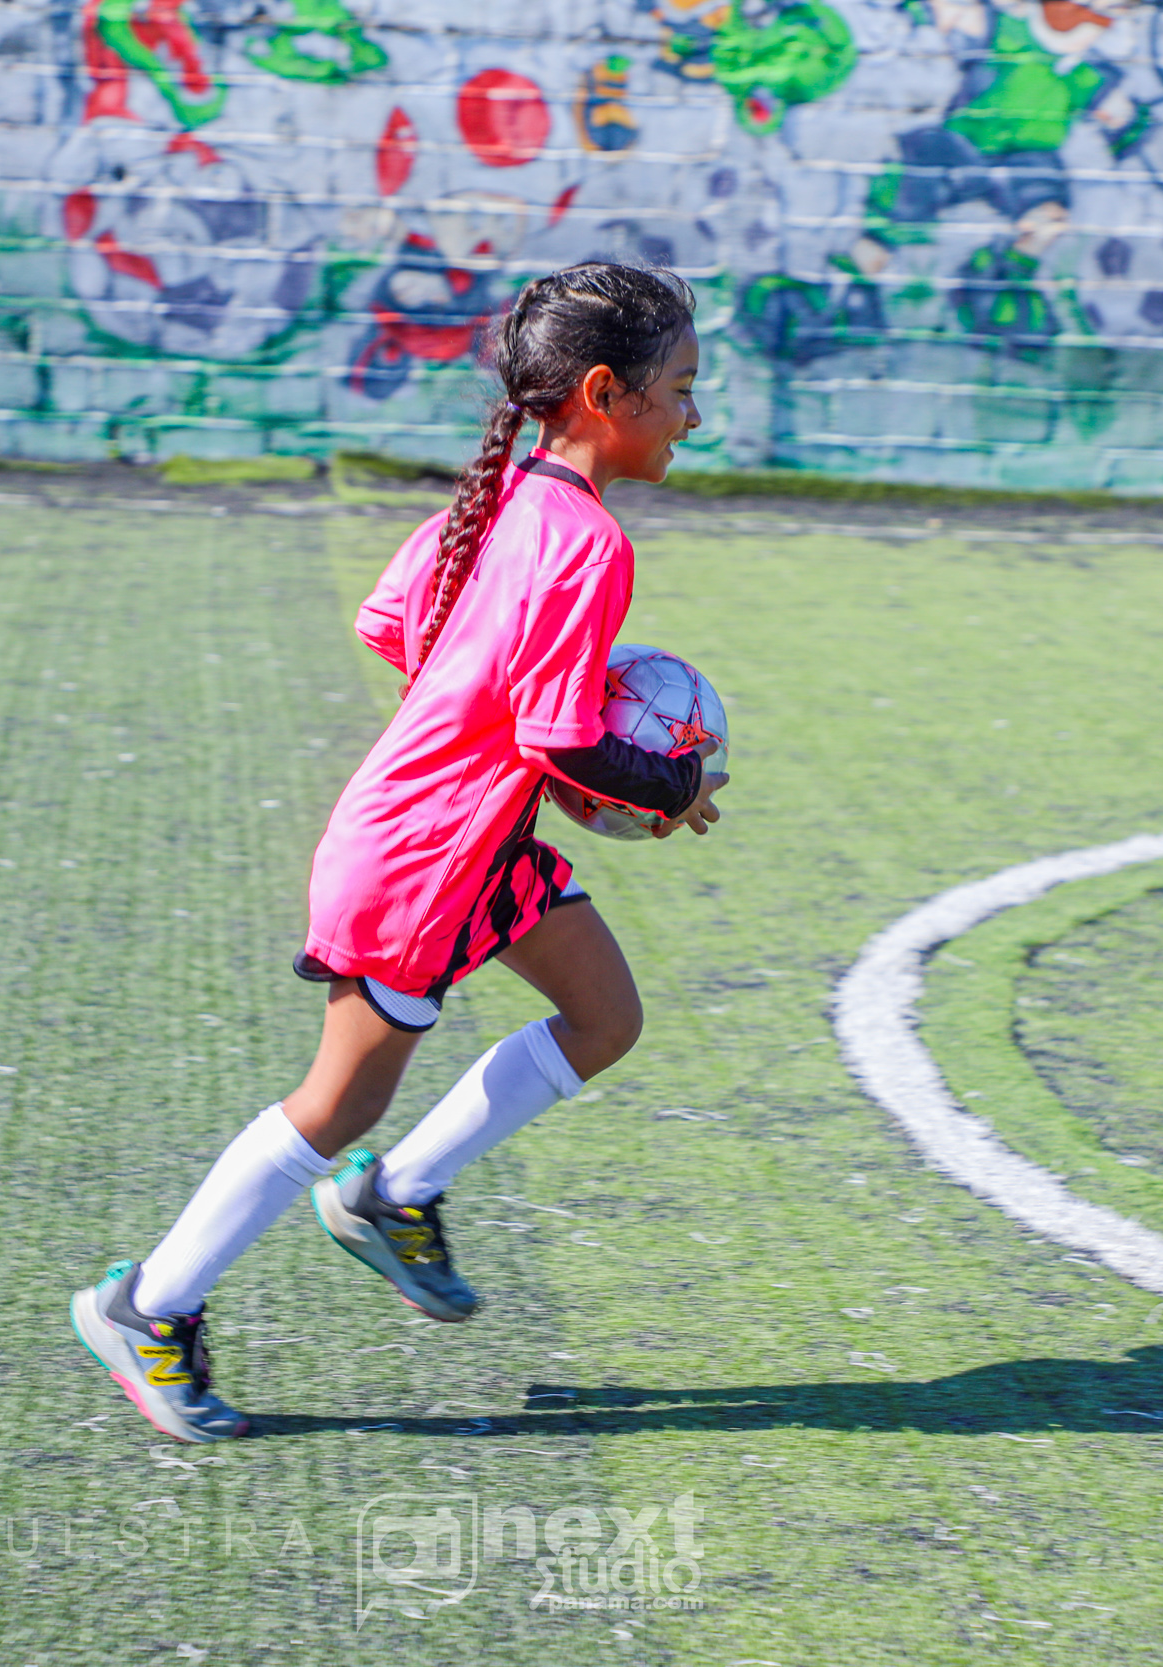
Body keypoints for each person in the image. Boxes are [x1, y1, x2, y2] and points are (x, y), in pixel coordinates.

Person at [72, 262, 727, 1441]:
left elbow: (391, 625)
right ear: (602, 393)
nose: (692, 413)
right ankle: (147, 1305)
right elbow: (557, 737)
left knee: (604, 1017)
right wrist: (671, 786)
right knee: (339, 1099)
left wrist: (484, 724)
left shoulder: (498, 497)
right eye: (679, 387)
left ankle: (391, 1196)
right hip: (422, 861)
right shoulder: (585, 542)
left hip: (473, 842)